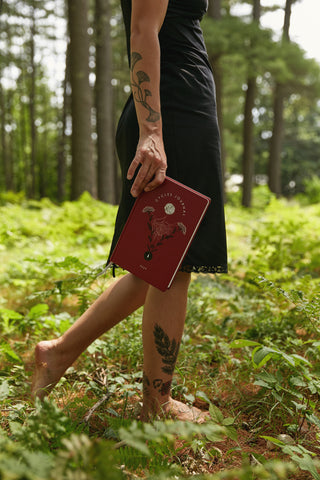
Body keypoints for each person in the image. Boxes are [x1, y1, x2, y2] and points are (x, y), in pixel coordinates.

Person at [32, 0, 227, 422]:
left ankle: (57, 353)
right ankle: (157, 408)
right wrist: (153, 132)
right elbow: (142, 30)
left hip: (181, 107)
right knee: (172, 267)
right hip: (172, 115)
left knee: (154, 266)